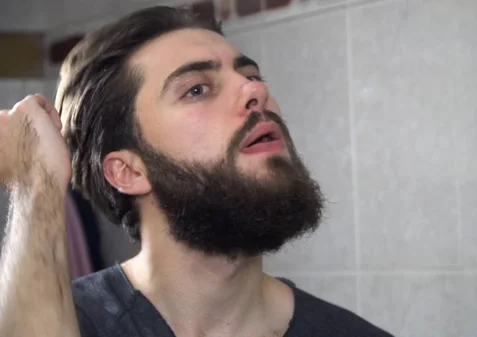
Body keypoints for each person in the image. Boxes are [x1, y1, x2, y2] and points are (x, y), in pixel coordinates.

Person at [0, 6, 393, 337]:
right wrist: (35, 184)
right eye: (197, 89)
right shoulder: (69, 322)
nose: (254, 91)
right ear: (127, 172)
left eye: (252, 76)